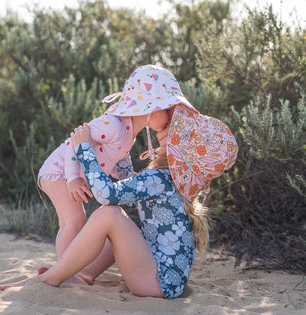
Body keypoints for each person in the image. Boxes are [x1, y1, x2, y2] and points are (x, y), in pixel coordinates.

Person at [38, 100, 238, 298]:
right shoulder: (172, 181)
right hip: (166, 280)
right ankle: (85, 272)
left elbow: (106, 194)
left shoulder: (159, 178)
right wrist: (121, 152)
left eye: (173, 126)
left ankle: (54, 276)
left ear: (182, 145)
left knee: (109, 214)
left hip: (156, 283)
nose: (168, 122)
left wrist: (84, 149)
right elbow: (131, 197)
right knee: (120, 220)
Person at [37, 65, 192, 284]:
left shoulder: (128, 134)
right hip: (58, 173)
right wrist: (73, 177)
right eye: (167, 109)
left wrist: (130, 180)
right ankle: (66, 272)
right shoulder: (113, 125)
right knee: (74, 220)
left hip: (67, 173)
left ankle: (71, 270)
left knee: (76, 221)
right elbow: (76, 140)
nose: (170, 115)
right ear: (150, 109)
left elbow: (114, 160)